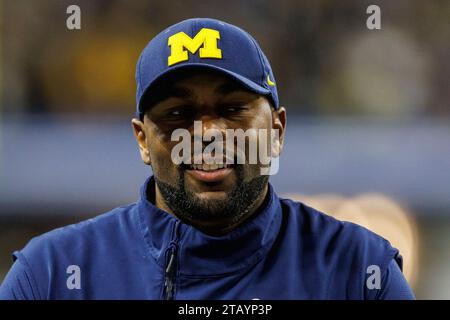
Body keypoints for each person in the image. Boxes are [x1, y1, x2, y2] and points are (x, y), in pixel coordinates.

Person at [0, 18, 415, 300]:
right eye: (177, 115)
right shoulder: (52, 274)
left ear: (277, 131)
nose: (207, 134)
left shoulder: (356, 270)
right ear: (143, 141)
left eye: (233, 109)